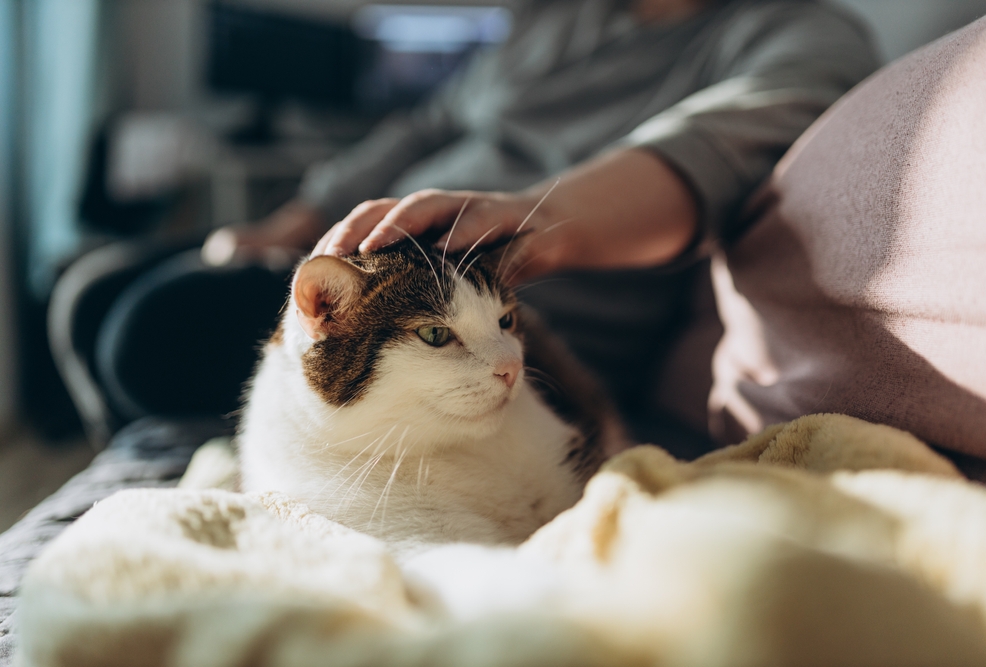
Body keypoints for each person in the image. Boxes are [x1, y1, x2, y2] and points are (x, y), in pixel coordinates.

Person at [200, 0, 878, 451]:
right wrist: (299, 218)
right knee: (99, 287)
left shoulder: (803, 37)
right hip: (358, 266)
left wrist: (532, 217)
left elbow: (702, 150)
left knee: (131, 328)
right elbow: (428, 123)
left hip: (501, 324)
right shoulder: (559, 17)